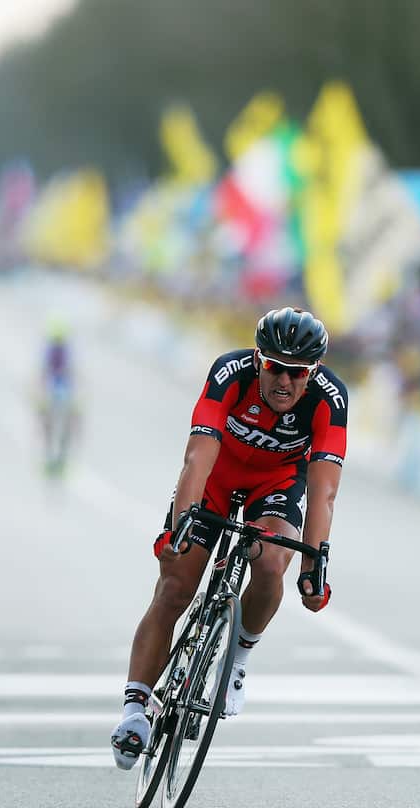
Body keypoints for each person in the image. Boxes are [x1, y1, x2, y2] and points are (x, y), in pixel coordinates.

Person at [111, 306, 348, 769]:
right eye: (275, 367)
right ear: (259, 359)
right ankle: (135, 710)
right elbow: (197, 460)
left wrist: (314, 567)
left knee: (270, 562)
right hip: (216, 477)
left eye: (297, 373)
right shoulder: (229, 373)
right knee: (176, 586)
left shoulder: (329, 398)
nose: (285, 382)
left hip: (276, 484)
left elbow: (323, 490)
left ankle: (237, 657)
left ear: (313, 372)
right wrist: (179, 527)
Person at [37, 316, 77, 476]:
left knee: (50, 424)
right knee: (62, 425)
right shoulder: (66, 350)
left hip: (55, 391)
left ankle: (52, 458)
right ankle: (58, 458)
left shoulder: (51, 349)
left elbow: (44, 372)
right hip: (62, 391)